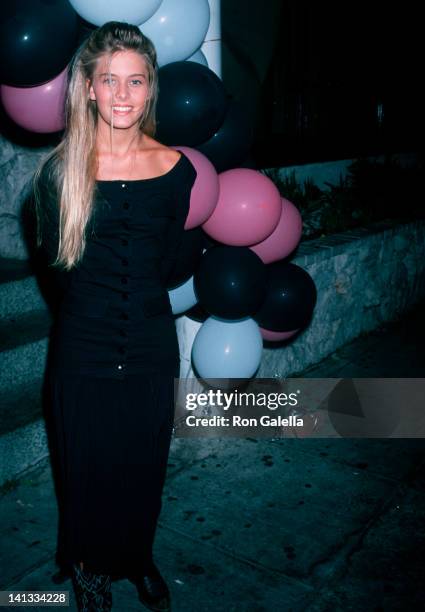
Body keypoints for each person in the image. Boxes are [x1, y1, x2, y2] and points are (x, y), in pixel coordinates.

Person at [32, 21, 197, 612]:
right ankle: (86, 564)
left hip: (152, 340)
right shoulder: (59, 173)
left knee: (144, 460)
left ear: (151, 89)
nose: (122, 94)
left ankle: (135, 554)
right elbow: (57, 272)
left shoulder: (179, 170)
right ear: (90, 87)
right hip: (85, 341)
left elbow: (171, 261)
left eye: (135, 81)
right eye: (110, 80)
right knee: (87, 463)